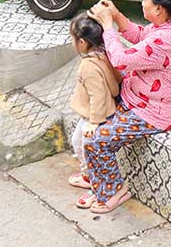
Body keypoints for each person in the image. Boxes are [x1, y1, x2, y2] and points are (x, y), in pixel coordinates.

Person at [79, 0, 171, 214]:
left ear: (158, 9)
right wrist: (117, 15)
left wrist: (108, 27)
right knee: (91, 120)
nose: (142, 3)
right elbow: (141, 34)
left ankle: (113, 191)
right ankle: (97, 180)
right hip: (135, 98)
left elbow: (120, 59)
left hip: (152, 113)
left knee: (96, 139)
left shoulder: (167, 40)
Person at [67, 12, 121, 209]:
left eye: (73, 39)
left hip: (95, 115)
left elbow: (97, 95)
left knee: (82, 144)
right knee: (78, 141)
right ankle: (87, 175)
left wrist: (94, 121)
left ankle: (91, 179)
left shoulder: (88, 66)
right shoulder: (103, 54)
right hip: (100, 112)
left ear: (82, 42)